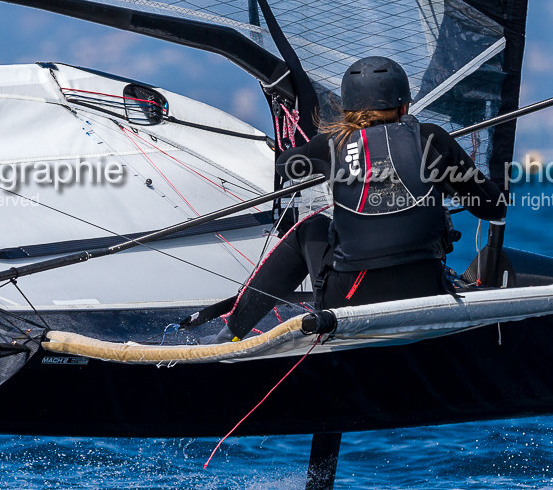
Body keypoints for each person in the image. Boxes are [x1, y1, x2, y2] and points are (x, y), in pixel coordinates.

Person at [183, 56, 505, 340]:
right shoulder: (430, 138)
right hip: (426, 293)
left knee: (310, 230)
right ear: (404, 106)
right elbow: (493, 207)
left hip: (350, 301)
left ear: (348, 109)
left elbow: (286, 165)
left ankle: (229, 335)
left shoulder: (330, 145)